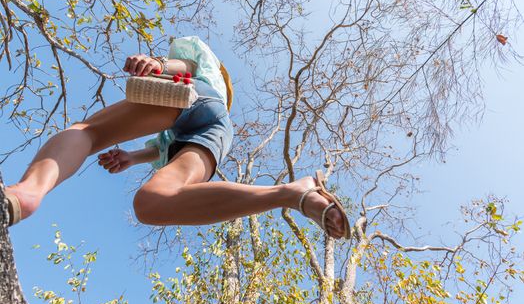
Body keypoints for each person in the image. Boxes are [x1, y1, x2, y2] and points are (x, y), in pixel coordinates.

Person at [4, 36, 350, 239]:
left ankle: (26, 194)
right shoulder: (200, 122)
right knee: (152, 203)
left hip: (195, 99)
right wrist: (131, 158)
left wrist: (159, 64)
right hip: (214, 132)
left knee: (90, 132)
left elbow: (187, 67)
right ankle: (291, 194)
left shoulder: (202, 63)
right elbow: (162, 148)